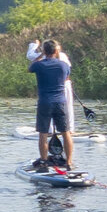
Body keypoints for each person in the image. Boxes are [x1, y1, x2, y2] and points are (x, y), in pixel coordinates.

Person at [28, 39, 74, 169]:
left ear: (44, 51)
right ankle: (69, 162)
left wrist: (41, 55)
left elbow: (30, 67)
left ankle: (44, 161)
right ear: (56, 51)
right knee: (66, 132)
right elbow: (66, 78)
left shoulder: (39, 65)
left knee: (43, 133)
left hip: (45, 102)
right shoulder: (63, 65)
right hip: (60, 102)